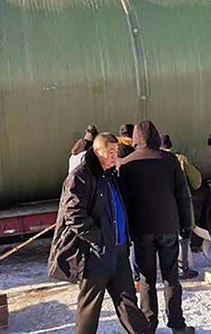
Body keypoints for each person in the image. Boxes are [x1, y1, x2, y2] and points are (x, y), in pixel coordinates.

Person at [48, 133, 151, 334]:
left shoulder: (110, 175)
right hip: (97, 254)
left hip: (119, 251)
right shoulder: (80, 177)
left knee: (128, 302)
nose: (114, 156)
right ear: (97, 151)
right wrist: (99, 240)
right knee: (90, 308)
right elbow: (73, 215)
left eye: (116, 151)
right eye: (110, 152)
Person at [119, 121, 195, 334]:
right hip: (168, 226)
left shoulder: (126, 164)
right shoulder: (169, 160)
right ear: (155, 136)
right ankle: (177, 324)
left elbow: (123, 202)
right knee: (171, 277)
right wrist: (187, 224)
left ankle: (148, 325)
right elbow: (182, 195)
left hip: (141, 229)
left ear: (135, 138)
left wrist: (126, 232)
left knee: (146, 279)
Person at [160, 134, 201, 279]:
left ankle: (169, 270)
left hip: (162, 207)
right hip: (181, 203)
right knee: (183, 237)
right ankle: (185, 268)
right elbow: (196, 181)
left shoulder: (153, 160)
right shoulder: (180, 159)